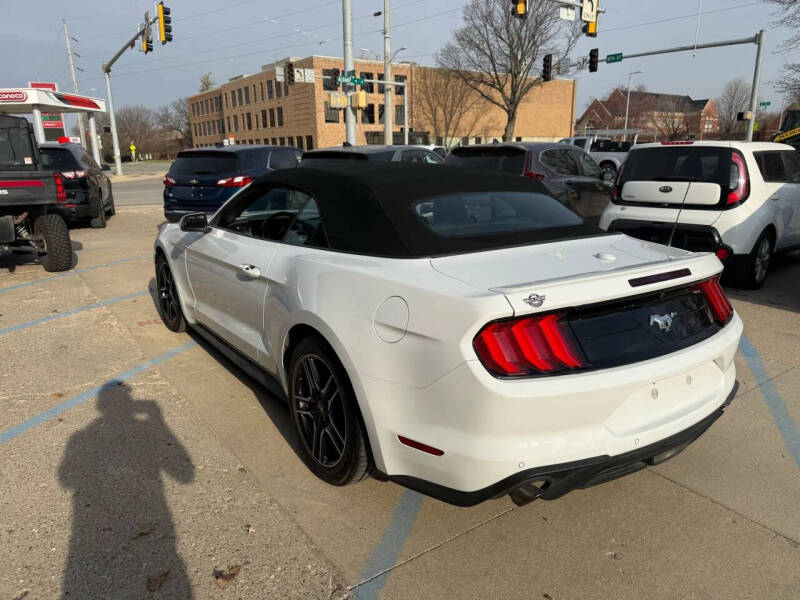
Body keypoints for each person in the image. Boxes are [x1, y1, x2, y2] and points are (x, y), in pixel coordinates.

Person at [58, 383, 194, 599]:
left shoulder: (80, 437)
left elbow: (65, 479)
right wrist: (157, 420)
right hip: (151, 522)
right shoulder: (85, 436)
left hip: (90, 531)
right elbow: (185, 475)